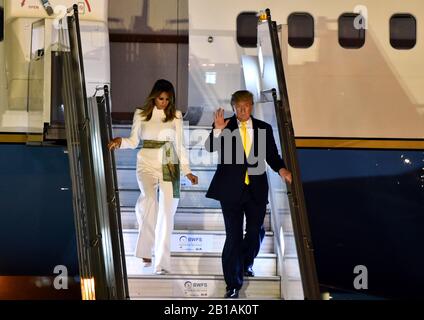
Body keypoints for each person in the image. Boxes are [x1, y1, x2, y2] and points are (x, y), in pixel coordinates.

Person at [205, 90, 292, 298]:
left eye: (247, 106)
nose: (243, 110)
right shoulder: (225, 124)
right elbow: (209, 147)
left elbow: (272, 156)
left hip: (256, 190)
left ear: (252, 106)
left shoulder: (264, 128)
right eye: (239, 107)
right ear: (233, 107)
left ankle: (245, 262)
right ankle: (233, 284)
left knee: (255, 231)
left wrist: (282, 170)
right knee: (233, 236)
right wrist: (217, 130)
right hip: (230, 190)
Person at [108, 79, 198, 275]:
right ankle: (145, 250)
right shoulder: (141, 113)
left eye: (167, 99)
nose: (164, 102)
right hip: (146, 162)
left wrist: (187, 170)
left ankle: (162, 264)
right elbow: (133, 141)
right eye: (160, 98)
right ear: (154, 96)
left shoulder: (176, 116)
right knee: (149, 200)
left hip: (170, 162)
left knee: (166, 214)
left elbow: (180, 145)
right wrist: (119, 141)